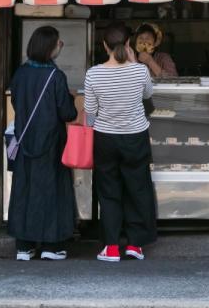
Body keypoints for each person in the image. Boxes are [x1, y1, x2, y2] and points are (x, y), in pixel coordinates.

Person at [84, 22, 158, 262]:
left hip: (105, 138)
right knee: (137, 188)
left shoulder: (93, 73)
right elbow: (147, 96)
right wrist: (135, 62)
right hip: (136, 137)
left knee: (109, 192)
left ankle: (112, 246)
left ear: (104, 46)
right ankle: (135, 245)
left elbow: (90, 112)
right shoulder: (140, 71)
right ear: (128, 45)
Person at [7, 25, 78, 261]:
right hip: (51, 144)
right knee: (52, 192)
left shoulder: (20, 74)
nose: (61, 45)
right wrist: (71, 98)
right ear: (50, 47)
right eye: (58, 42)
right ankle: (52, 245)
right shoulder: (55, 77)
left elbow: (17, 105)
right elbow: (68, 114)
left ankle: (24, 246)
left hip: (25, 140)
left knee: (25, 190)